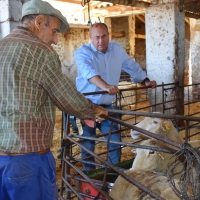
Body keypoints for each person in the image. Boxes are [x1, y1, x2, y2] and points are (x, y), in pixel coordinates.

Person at [0, 1, 108, 200]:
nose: (56, 40)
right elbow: (65, 96)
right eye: (55, 32)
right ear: (39, 22)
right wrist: (93, 111)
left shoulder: (2, 45)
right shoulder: (40, 52)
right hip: (28, 159)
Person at [74, 22, 157, 171]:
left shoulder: (116, 49)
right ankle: (89, 176)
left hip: (107, 107)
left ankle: (114, 173)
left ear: (108, 35)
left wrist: (145, 80)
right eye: (97, 37)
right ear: (90, 37)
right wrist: (106, 86)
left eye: (104, 36)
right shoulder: (83, 53)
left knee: (114, 141)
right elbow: (88, 72)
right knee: (87, 142)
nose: (101, 41)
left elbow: (130, 65)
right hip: (86, 107)